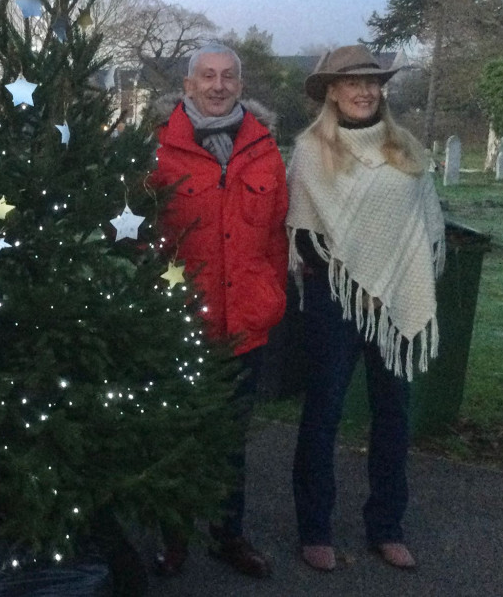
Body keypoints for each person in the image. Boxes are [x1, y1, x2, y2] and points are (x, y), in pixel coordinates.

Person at [287, 45, 445, 572]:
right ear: (331, 90)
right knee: (323, 414)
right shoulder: (311, 150)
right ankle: (315, 528)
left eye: (373, 82)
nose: (364, 91)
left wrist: (392, 281)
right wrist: (355, 280)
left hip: (396, 295)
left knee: (394, 416)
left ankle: (386, 526)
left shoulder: (406, 147)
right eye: (352, 82)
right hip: (336, 299)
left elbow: (422, 225)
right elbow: (305, 233)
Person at [150, 44, 289, 578]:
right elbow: (140, 236)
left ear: (240, 84)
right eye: (206, 76)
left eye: (228, 76)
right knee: (176, 434)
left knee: (232, 439)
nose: (217, 85)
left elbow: (275, 237)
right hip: (180, 320)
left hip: (245, 324)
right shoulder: (160, 149)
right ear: (187, 85)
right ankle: (173, 534)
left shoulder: (264, 150)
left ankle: (228, 533)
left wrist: (269, 295)